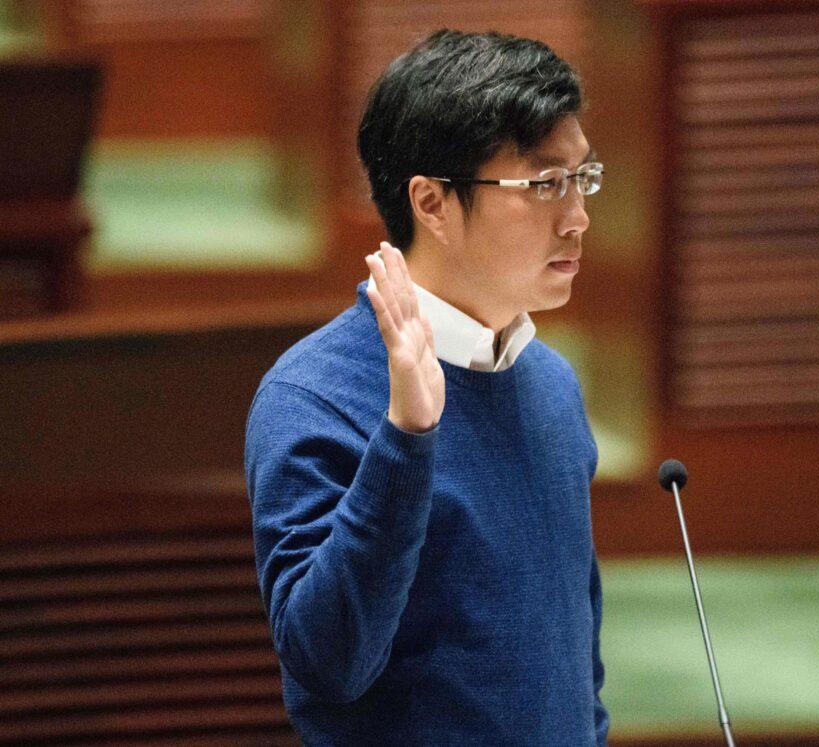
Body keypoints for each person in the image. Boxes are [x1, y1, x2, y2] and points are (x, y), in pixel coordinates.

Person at [243, 28, 607, 745]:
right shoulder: (313, 397)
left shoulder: (552, 386)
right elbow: (330, 663)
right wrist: (406, 438)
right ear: (433, 203)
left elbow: (576, 660)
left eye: (582, 178)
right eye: (543, 185)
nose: (578, 217)